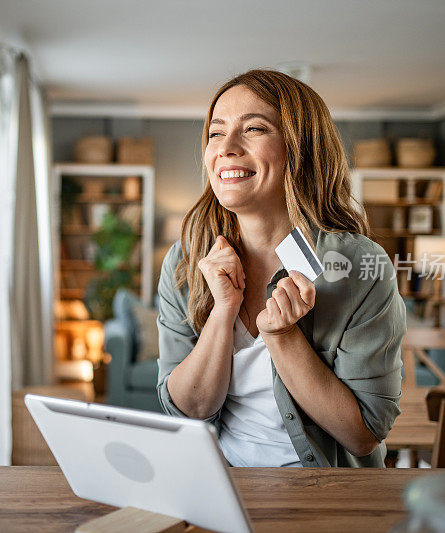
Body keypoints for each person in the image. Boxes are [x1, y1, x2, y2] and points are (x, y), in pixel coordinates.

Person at [156, 69, 406, 467]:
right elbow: (188, 410)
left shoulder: (361, 266)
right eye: (216, 133)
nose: (227, 148)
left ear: (300, 147)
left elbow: (363, 437)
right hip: (220, 484)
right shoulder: (185, 263)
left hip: (324, 495)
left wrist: (284, 337)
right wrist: (223, 311)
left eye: (254, 128)